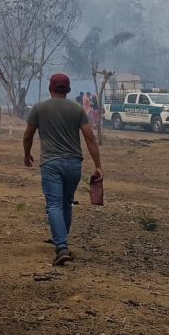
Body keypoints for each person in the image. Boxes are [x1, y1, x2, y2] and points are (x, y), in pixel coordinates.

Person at [23, 73, 104, 267]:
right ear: (67, 90)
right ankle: (62, 241)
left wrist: (26, 155)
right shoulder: (77, 109)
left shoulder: (39, 108)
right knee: (66, 204)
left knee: (54, 205)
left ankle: (61, 247)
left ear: (50, 88)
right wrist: (98, 165)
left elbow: (28, 135)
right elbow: (90, 138)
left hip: (51, 163)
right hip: (74, 164)